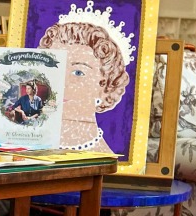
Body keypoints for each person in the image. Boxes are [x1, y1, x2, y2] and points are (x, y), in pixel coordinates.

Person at [39, 2, 132, 152]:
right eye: (54, 69)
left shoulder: (102, 157)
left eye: (78, 73)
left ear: (104, 84)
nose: (61, 83)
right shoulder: (24, 144)